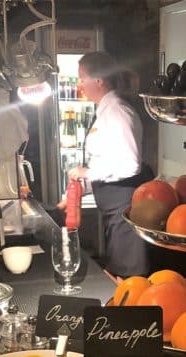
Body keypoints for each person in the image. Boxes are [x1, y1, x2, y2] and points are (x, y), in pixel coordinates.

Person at [66, 52, 153, 278]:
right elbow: (108, 161)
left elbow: (130, 165)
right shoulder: (106, 110)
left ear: (98, 80)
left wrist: (88, 172)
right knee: (117, 273)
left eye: (82, 78)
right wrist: (79, 189)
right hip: (113, 210)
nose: (80, 84)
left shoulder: (117, 112)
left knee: (129, 277)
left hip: (124, 209)